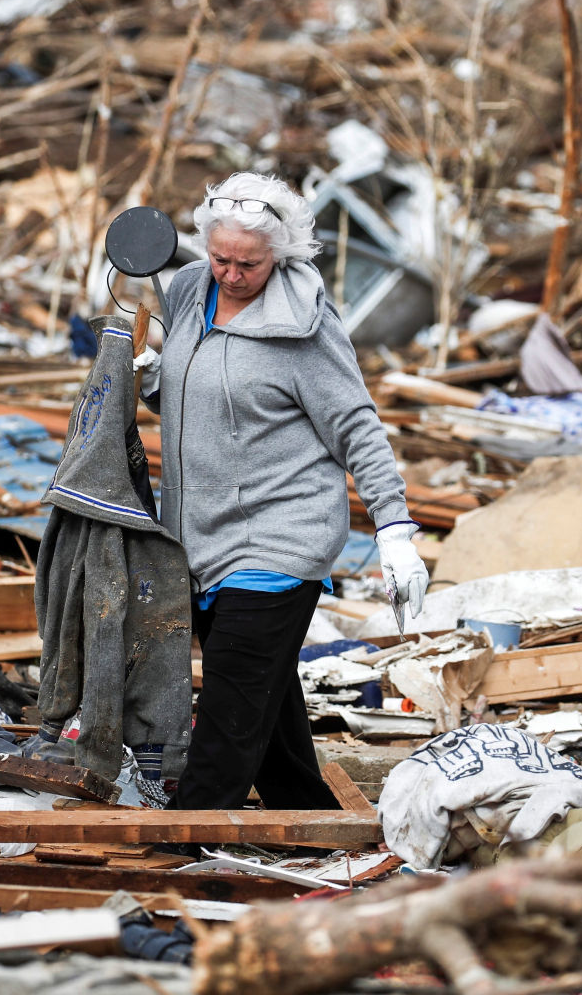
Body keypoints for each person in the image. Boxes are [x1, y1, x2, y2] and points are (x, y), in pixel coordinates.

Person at [140, 171, 429, 811]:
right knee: (265, 715)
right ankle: (310, 819)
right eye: (221, 258)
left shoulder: (304, 324)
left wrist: (395, 531)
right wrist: (154, 380)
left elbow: (356, 425)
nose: (232, 275)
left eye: (250, 263)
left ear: (283, 254)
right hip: (199, 541)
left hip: (278, 542)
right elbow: (210, 404)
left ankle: (187, 838)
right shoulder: (189, 292)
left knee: (227, 715)